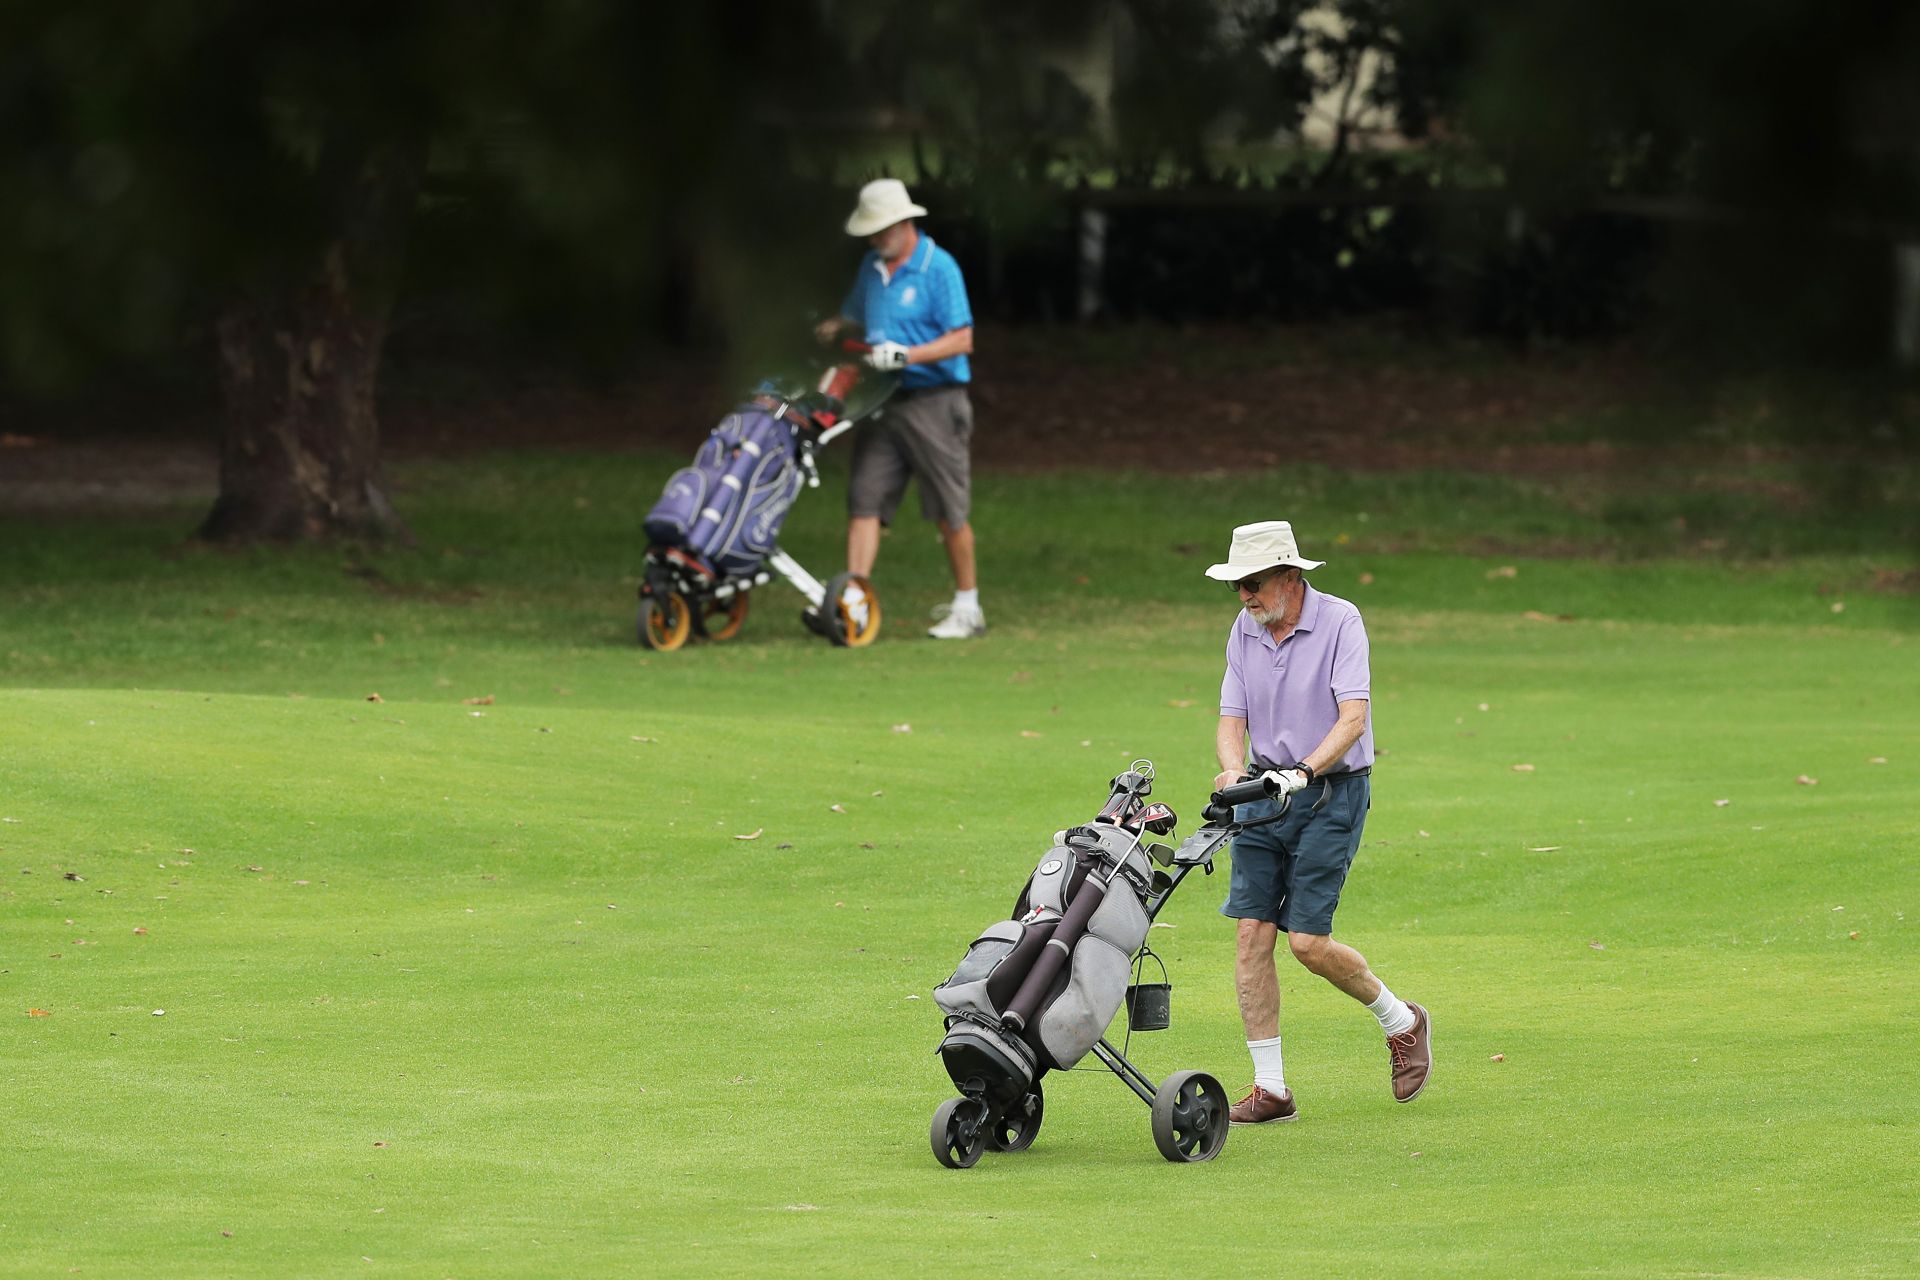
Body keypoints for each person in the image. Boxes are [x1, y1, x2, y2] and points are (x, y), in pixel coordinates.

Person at [1203, 519, 1432, 1125]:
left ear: (1288, 576)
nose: (1245, 596)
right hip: (1263, 793)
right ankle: (1271, 1088)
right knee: (1252, 935)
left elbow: (1353, 718)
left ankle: (1402, 1021)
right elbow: (1232, 718)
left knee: (1306, 942)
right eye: (1237, 587)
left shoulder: (1340, 622)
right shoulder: (1244, 630)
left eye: (1252, 583)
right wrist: (1232, 772)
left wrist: (1303, 771)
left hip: (1331, 791)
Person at [815, 178, 983, 640]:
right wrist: (834, 327)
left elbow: (961, 338)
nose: (874, 239)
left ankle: (968, 607)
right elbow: (857, 318)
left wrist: (907, 355)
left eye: (880, 229)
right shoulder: (871, 268)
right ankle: (855, 601)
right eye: (870, 232)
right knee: (864, 500)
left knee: (949, 509)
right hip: (882, 400)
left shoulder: (938, 267)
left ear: (904, 223)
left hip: (935, 401)